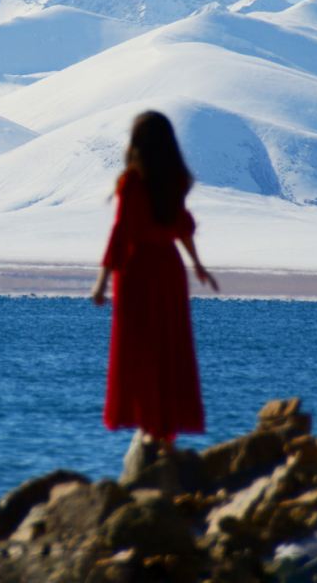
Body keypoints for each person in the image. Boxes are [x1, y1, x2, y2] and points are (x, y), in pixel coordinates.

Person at [91, 110, 219, 448]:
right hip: (169, 270)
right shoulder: (174, 180)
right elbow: (180, 228)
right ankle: (166, 430)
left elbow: (121, 233)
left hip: (137, 271)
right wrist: (196, 264)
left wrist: (102, 280)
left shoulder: (133, 181)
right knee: (170, 346)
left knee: (140, 349)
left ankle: (149, 427)